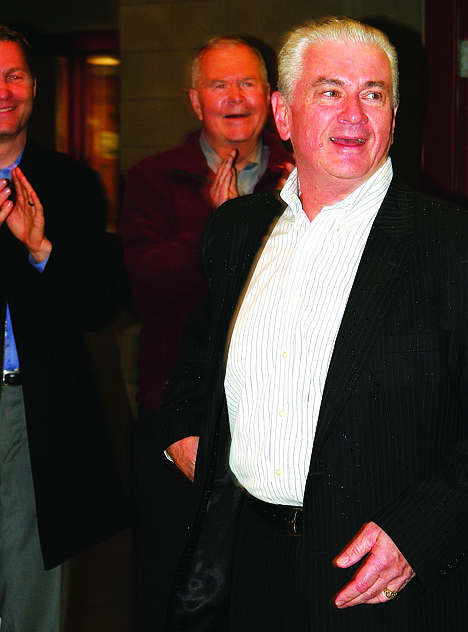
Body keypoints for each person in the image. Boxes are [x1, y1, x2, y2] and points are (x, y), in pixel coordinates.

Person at [161, 17, 468, 632]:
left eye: (373, 94)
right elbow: (199, 354)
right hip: (247, 564)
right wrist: (184, 428)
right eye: (329, 91)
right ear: (283, 114)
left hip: (386, 585)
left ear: (394, 114)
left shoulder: (451, 244)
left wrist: (423, 532)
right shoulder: (237, 231)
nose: (354, 114)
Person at [119, 35, 293, 628]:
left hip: (275, 420)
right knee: (171, 589)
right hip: (178, 421)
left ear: (271, 97)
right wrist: (213, 229)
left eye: (247, 84)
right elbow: (140, 290)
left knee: (261, 591)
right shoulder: (154, 179)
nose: (235, 97)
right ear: (196, 102)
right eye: (219, 85)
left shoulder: (302, 177)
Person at [0, 25, 129, 632]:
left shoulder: (71, 183)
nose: (4, 90)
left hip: (33, 409)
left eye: (14, 76)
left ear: (34, 87)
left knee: (31, 592)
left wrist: (42, 249)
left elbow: (101, 306)